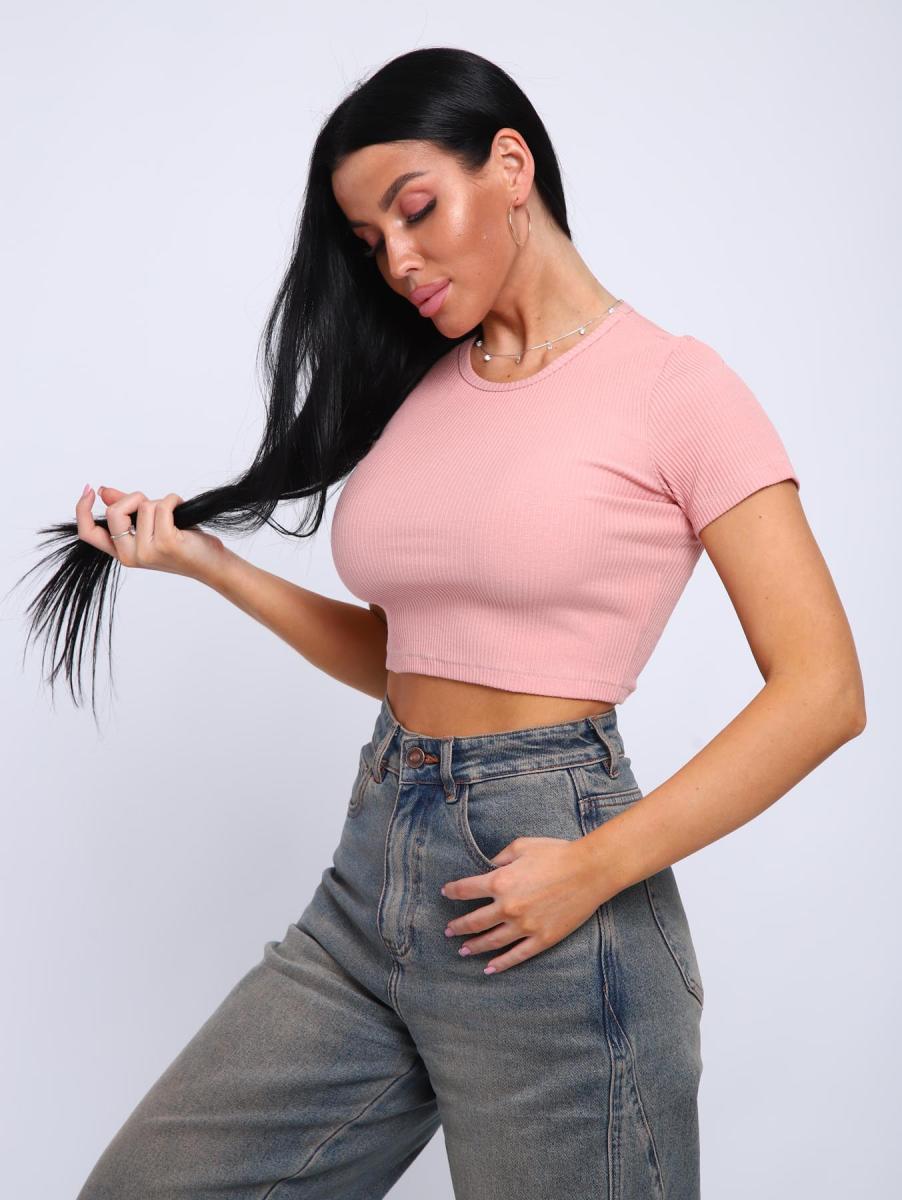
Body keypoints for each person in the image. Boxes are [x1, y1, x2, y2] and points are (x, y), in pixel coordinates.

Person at [32, 46, 862, 1200]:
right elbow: (411, 660)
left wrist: (591, 869)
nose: (397, 259)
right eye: (370, 240)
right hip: (371, 879)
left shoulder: (675, 388)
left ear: (510, 165)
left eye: (413, 210)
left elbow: (822, 689)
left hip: (551, 897)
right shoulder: (424, 391)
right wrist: (207, 565)